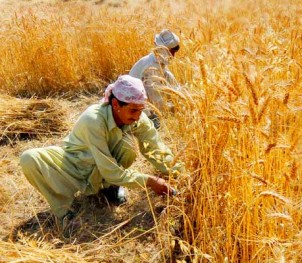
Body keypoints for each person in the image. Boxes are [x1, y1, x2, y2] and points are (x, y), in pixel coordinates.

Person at [20, 75, 183, 231]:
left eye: (141, 110)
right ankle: (63, 211)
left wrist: (180, 172)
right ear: (115, 105)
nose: (138, 116)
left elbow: (156, 149)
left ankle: (110, 188)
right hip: (77, 166)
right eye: (133, 110)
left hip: (105, 171)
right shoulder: (93, 120)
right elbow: (109, 170)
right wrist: (150, 181)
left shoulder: (138, 119)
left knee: (128, 146)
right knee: (29, 158)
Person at [129, 29, 181, 129]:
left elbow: (169, 82)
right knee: (153, 126)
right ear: (163, 49)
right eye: (171, 51)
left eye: (175, 51)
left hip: (144, 96)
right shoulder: (152, 65)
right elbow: (154, 95)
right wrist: (172, 109)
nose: (174, 55)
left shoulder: (156, 60)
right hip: (134, 100)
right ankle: (149, 118)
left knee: (169, 76)